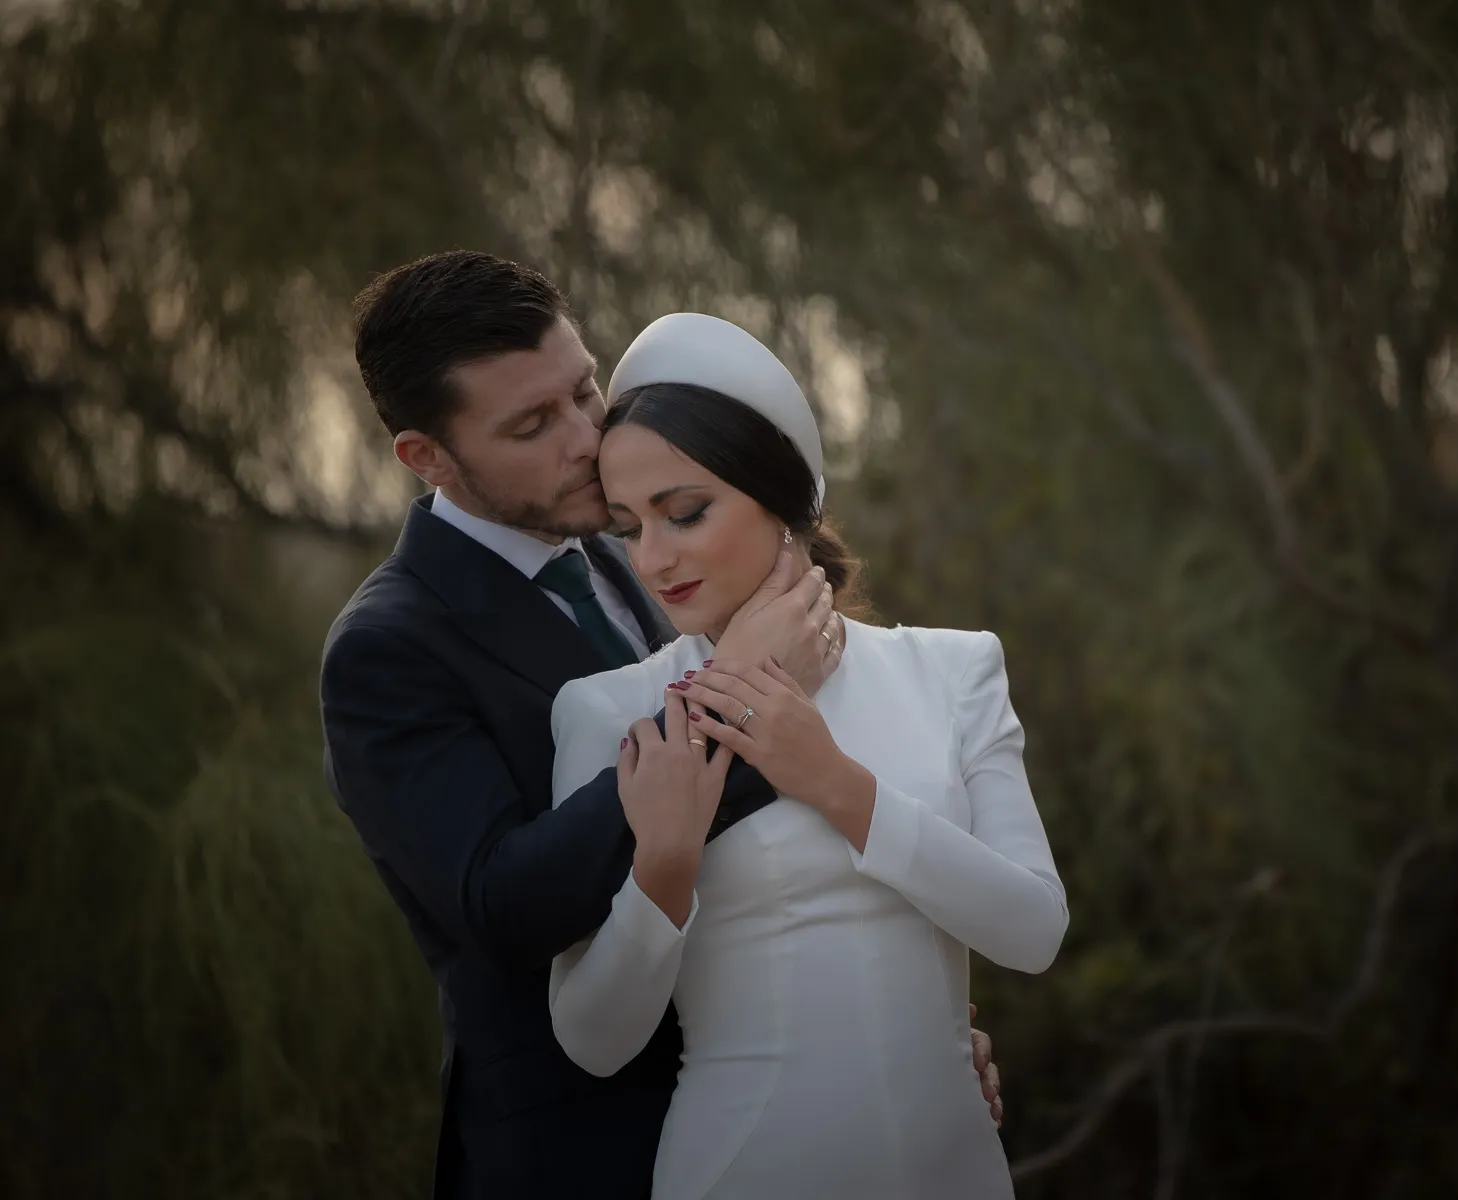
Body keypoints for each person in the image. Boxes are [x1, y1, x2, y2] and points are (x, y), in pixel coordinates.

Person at [318, 252, 1004, 1200]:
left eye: (585, 391)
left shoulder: (637, 551)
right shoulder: (388, 648)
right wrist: (742, 694)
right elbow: (498, 906)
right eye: (531, 424)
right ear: (426, 456)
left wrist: (896, 1027)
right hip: (580, 1155)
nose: (584, 437)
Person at [547, 313, 1067, 1200]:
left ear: (783, 497)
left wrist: (832, 781)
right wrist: (666, 864)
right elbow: (593, 1039)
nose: (654, 558)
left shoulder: (954, 669)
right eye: (630, 526)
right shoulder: (613, 710)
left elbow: (1033, 931)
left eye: (686, 512)